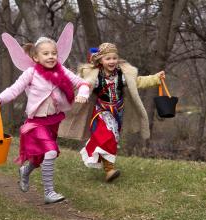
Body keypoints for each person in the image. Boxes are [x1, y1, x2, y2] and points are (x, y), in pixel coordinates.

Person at [0, 36, 89, 204]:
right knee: (50, 151)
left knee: (39, 158)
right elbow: (14, 89)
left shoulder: (62, 71)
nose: (51, 56)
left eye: (54, 53)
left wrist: (82, 94)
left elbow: (83, 83)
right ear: (36, 57)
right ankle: (49, 192)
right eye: (46, 53)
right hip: (36, 123)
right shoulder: (31, 73)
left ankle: (25, 171)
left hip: (54, 121)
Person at [58, 43, 165, 182]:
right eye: (108, 58)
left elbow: (138, 82)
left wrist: (155, 78)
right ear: (101, 60)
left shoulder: (122, 76)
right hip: (101, 112)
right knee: (105, 135)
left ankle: (108, 167)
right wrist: (62, 82)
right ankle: (109, 170)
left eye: (114, 58)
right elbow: (79, 83)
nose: (112, 61)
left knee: (112, 140)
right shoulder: (96, 77)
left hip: (117, 113)